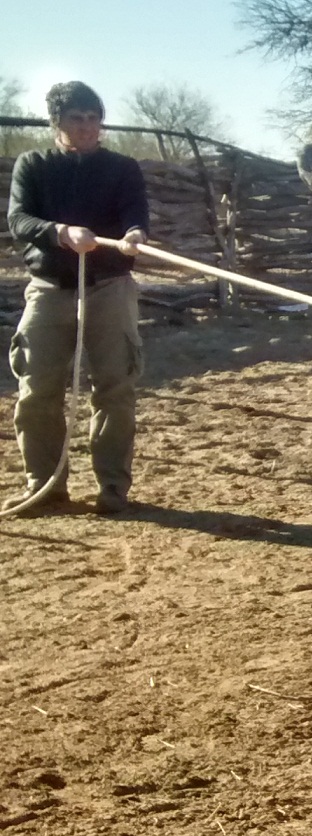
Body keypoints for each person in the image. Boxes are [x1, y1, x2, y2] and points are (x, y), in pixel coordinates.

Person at [5, 82, 149, 517]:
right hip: (49, 288)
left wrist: (134, 236)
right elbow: (19, 219)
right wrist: (59, 233)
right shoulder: (33, 164)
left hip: (109, 287)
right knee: (37, 388)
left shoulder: (123, 168)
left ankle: (112, 487)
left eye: (92, 118)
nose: (86, 127)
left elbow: (135, 214)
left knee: (115, 387)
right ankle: (44, 484)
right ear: (56, 122)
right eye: (75, 119)